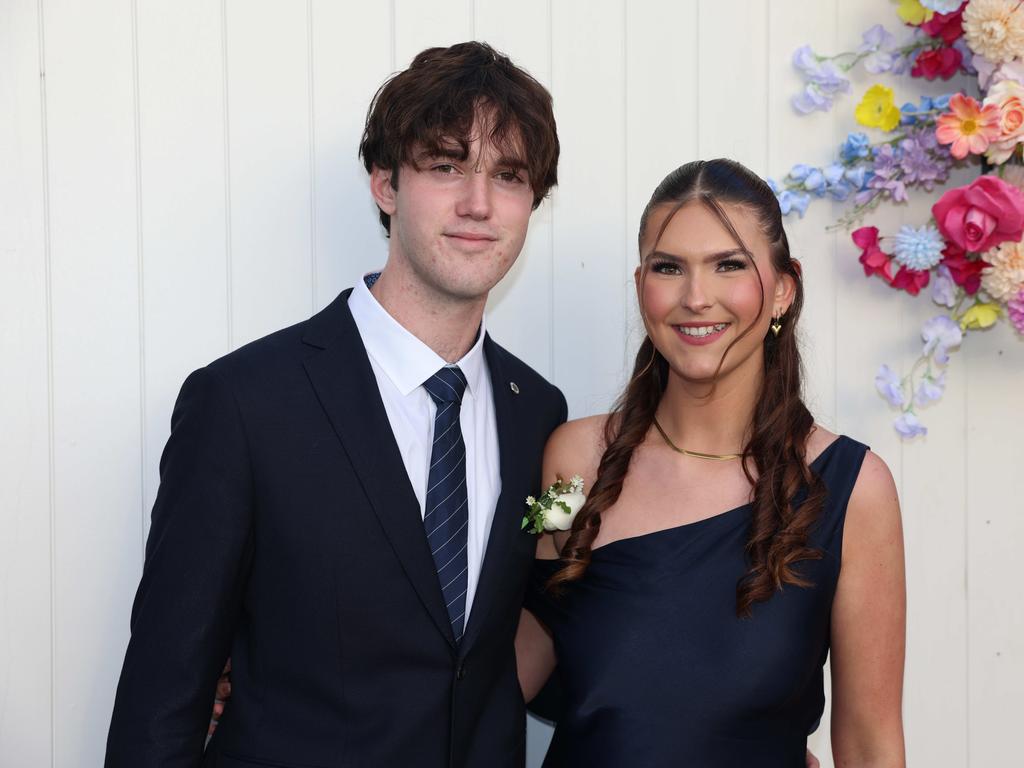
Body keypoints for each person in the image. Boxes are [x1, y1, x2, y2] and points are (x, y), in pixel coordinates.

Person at [104, 41, 565, 768]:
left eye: (507, 176)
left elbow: (530, 622)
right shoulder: (243, 404)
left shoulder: (538, 410)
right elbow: (164, 692)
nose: (478, 203)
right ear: (385, 183)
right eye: (445, 166)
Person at [516, 159, 906, 767]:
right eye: (669, 268)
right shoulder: (575, 459)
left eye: (729, 265)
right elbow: (517, 663)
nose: (696, 298)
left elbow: (871, 743)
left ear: (783, 287)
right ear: (641, 284)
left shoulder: (850, 489)